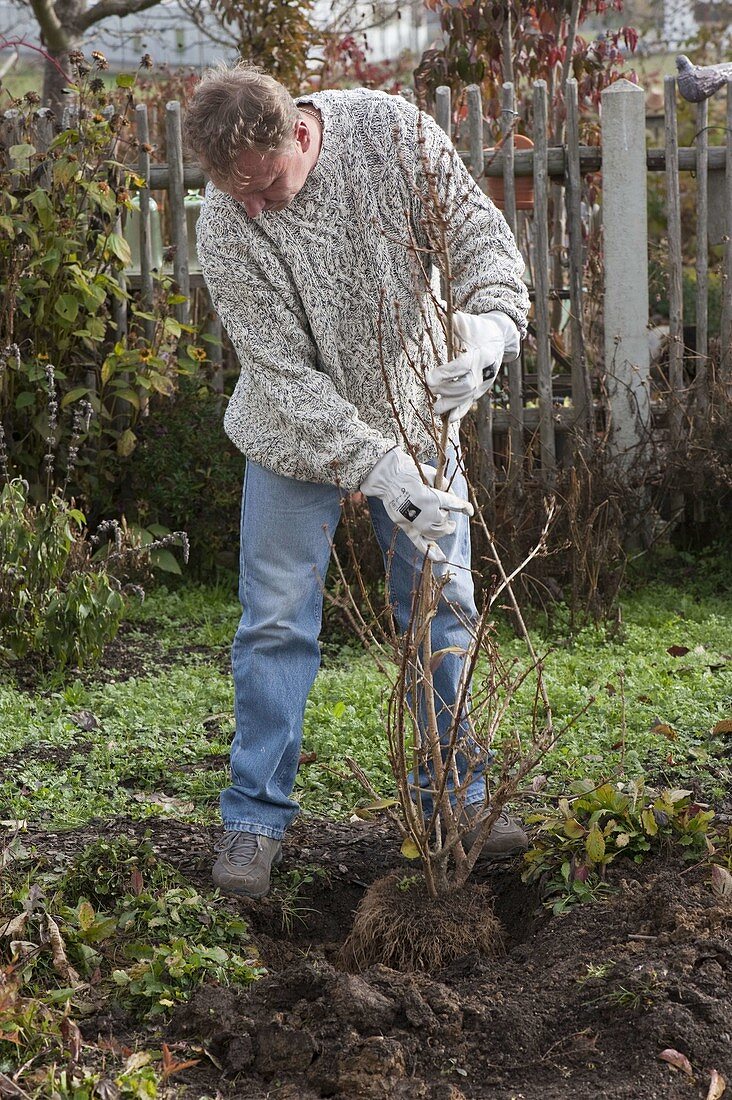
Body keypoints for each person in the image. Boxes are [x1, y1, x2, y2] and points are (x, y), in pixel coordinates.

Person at [183, 62, 531, 899]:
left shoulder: (390, 133)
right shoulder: (227, 223)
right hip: (292, 437)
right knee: (274, 620)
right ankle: (254, 824)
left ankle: (456, 799)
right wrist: (375, 469)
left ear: (300, 134)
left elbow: (485, 241)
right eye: (237, 193)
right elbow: (281, 375)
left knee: (441, 605)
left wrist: (487, 331)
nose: (254, 207)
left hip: (416, 411)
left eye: (266, 185)